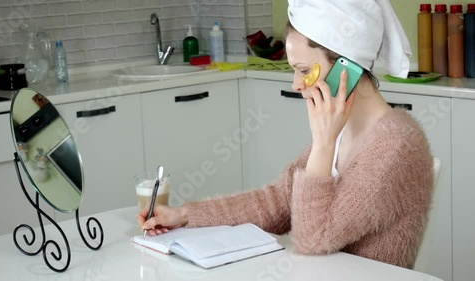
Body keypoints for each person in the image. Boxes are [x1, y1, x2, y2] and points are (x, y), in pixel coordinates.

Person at [137, 0, 433, 269]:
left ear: (347, 67)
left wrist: (322, 144)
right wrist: (184, 215)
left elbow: (313, 238)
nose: (296, 84)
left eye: (304, 70)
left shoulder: (397, 145)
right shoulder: (342, 127)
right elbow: (277, 203)